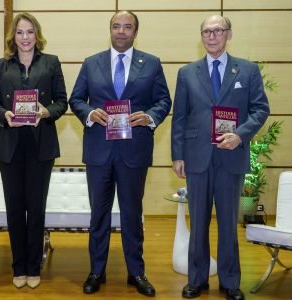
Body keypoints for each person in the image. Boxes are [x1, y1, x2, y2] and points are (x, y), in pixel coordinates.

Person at [69, 10, 171, 296]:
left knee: (132, 214)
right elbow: (76, 98)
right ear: (110, 30)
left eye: (128, 27)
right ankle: (96, 271)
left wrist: (149, 117)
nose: (122, 31)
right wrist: (90, 113)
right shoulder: (92, 63)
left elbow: (164, 100)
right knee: (98, 216)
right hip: (99, 151)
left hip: (133, 151)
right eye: (117, 26)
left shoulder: (151, 63)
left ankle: (136, 273)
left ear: (136, 32)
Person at [171, 15, 270, 300]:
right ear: (201, 36)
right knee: (198, 221)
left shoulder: (247, 71)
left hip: (231, 156)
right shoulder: (187, 73)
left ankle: (229, 282)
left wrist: (241, 134)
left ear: (228, 34)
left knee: (228, 223)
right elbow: (180, 117)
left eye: (217, 31)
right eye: (206, 31)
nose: (211, 36)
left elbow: (260, 110)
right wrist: (178, 154)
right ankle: (197, 279)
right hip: (197, 157)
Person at [0, 12, 68, 289]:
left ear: (37, 35)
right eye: (20, 32)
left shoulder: (51, 63)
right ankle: (18, 266)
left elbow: (62, 101)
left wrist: (46, 111)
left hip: (40, 145)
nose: (25, 37)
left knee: (36, 209)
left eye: (30, 32)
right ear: (14, 36)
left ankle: (34, 267)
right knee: (14, 209)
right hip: (9, 145)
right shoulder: (1, 65)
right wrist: (4, 114)